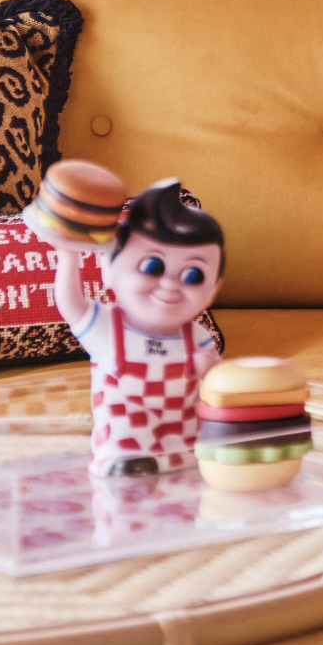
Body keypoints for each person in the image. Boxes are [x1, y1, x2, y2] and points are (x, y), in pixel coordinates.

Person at [47, 179, 225, 478]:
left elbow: (223, 381)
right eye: (152, 267)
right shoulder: (108, 328)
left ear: (214, 288)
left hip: (185, 440)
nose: (170, 285)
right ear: (108, 269)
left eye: (193, 275)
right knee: (129, 460)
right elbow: (70, 303)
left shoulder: (197, 337)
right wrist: (68, 256)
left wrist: (210, 367)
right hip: (126, 442)